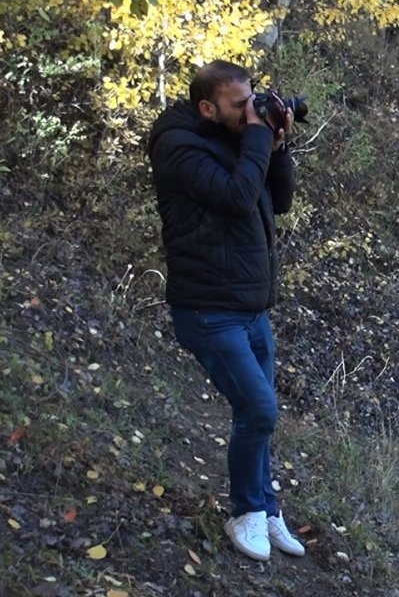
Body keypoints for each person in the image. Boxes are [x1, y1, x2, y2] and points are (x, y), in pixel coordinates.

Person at [147, 60, 305, 562]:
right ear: (207, 108)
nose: (250, 111)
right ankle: (245, 511)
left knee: (256, 416)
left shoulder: (240, 135)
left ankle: (267, 508)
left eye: (252, 99)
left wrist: (277, 145)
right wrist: (257, 138)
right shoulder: (177, 146)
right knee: (259, 410)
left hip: (251, 307)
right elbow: (237, 198)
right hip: (208, 309)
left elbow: (275, 200)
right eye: (239, 106)